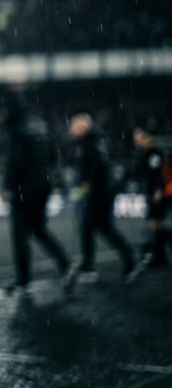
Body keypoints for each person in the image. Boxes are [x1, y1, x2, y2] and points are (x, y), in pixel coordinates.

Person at [0, 91, 71, 295]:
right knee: (38, 229)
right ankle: (65, 263)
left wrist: (7, 186)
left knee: (19, 234)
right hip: (43, 186)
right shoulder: (40, 126)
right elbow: (53, 155)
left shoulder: (17, 129)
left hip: (24, 188)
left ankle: (23, 280)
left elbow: (15, 160)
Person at [64, 113, 141, 285]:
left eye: (74, 125)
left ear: (83, 126)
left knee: (90, 228)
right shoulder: (92, 141)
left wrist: (87, 182)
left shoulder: (90, 143)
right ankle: (129, 259)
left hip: (98, 194)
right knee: (102, 228)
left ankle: (90, 267)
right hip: (100, 192)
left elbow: (98, 165)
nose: (71, 129)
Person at [133, 126, 170, 268]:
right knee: (155, 225)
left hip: (157, 193)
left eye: (139, 138)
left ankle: (159, 255)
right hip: (153, 192)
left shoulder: (154, 153)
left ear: (146, 137)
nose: (136, 141)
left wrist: (159, 190)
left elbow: (159, 173)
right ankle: (160, 255)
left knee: (154, 224)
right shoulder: (147, 153)